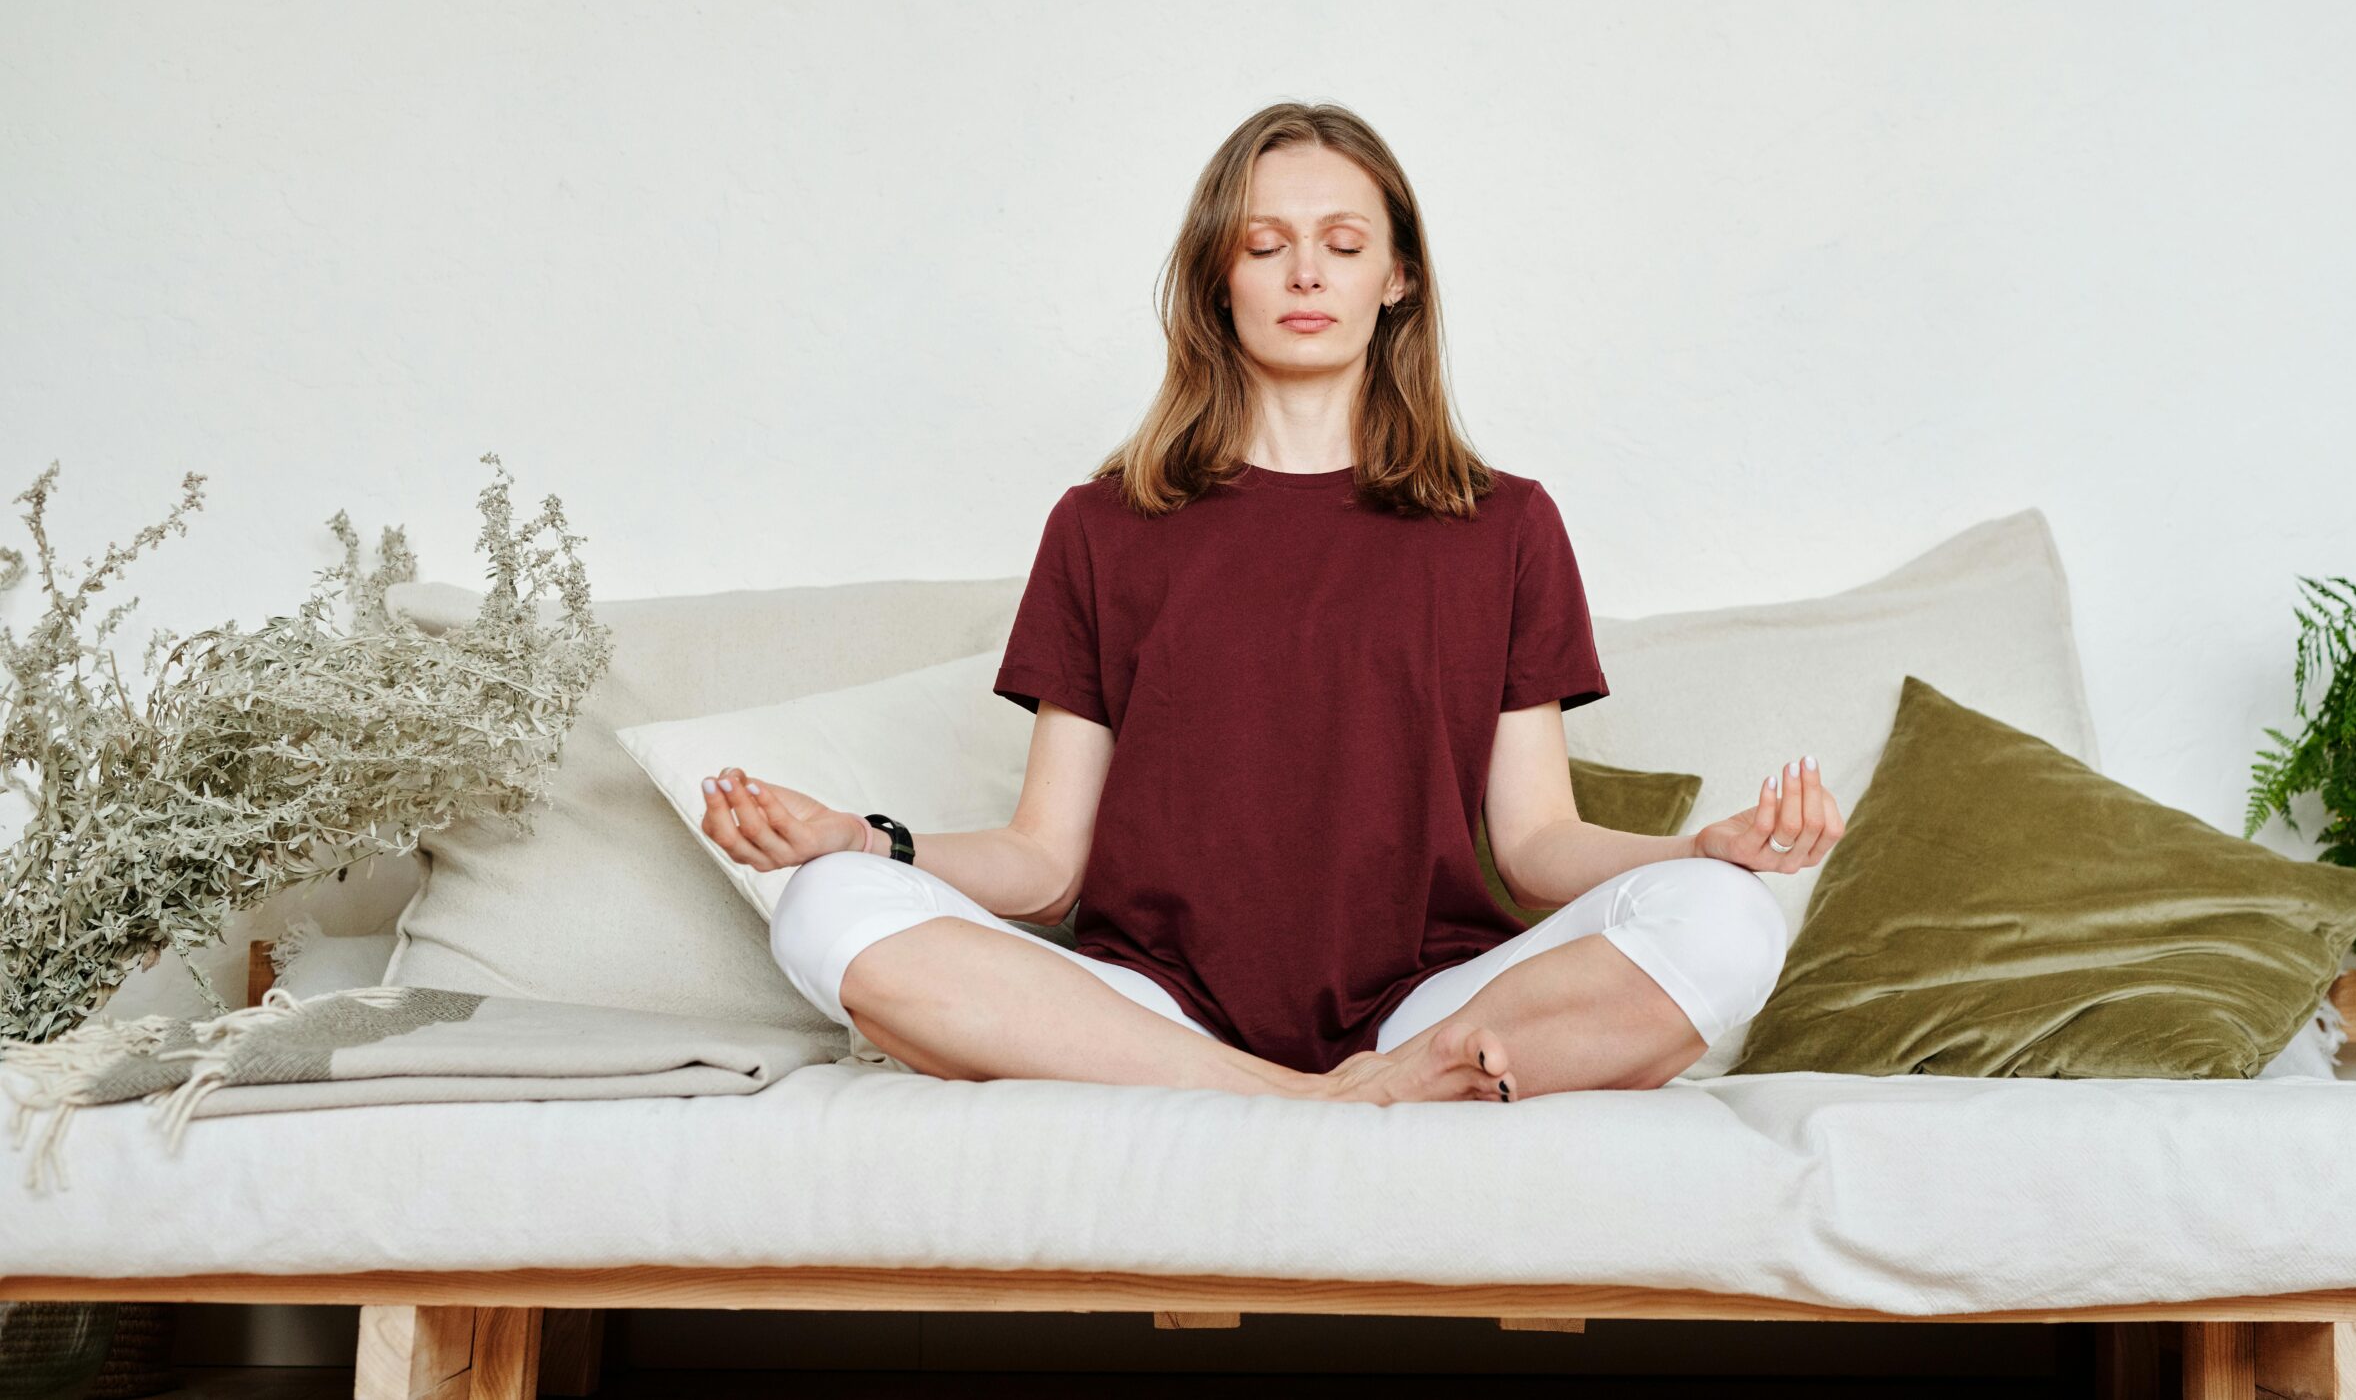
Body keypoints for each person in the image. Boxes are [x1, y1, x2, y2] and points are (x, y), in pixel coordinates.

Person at [709, 102, 1845, 1106]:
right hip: (1152, 1009)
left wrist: (1704, 852)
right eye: (1266, 246)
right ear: (1219, 277)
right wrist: (862, 839)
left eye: (1342, 245)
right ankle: (1309, 1098)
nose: (1306, 274)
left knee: (1728, 921)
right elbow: (1045, 864)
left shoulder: (1503, 526)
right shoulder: (1104, 525)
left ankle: (1367, 1076)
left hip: (1425, 1001)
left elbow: (1537, 846)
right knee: (826, 906)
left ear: (1395, 279)